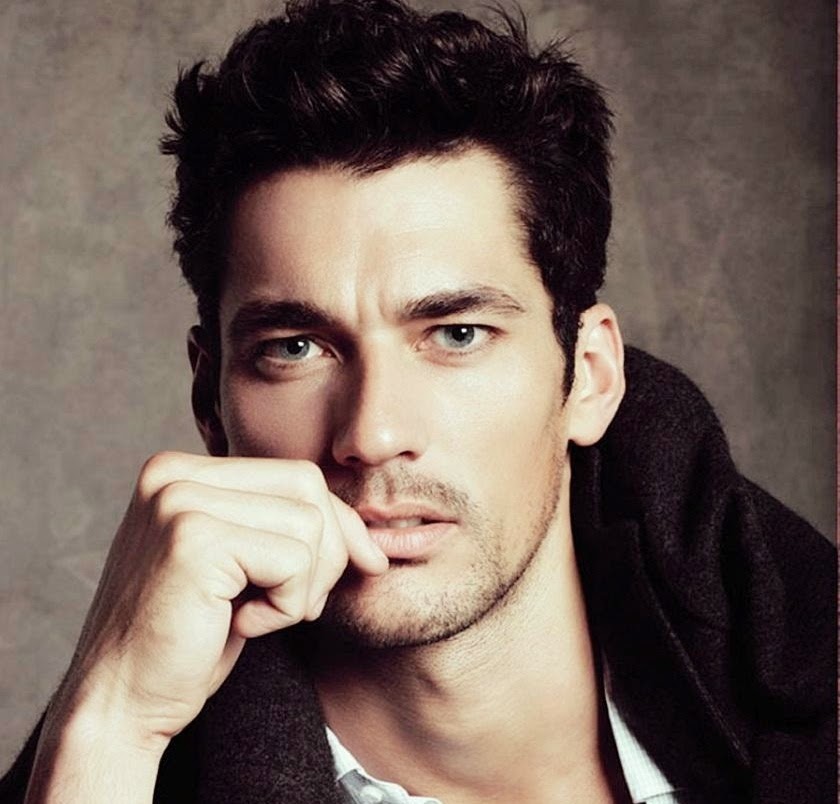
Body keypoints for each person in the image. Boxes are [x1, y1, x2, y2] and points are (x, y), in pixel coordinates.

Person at [2, 0, 834, 801]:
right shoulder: (118, 761)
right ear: (210, 400)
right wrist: (109, 726)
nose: (371, 434)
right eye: (294, 349)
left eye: (457, 334)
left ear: (589, 376)